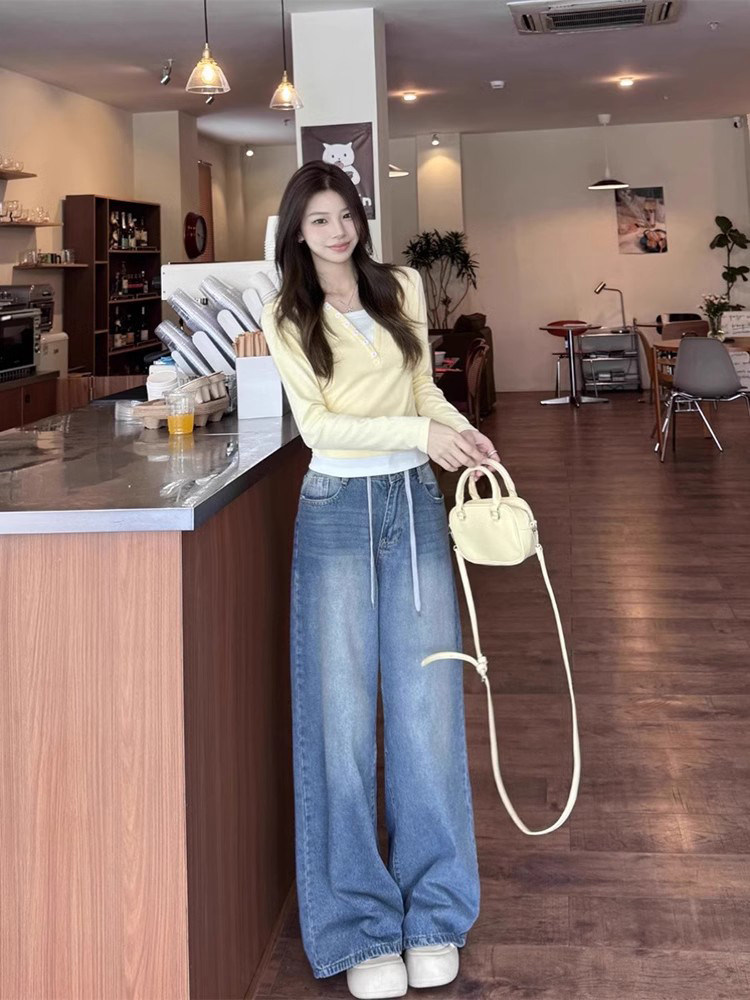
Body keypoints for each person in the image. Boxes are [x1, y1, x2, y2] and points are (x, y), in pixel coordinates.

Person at [261, 160, 499, 1000]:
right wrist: (419, 434)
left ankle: (434, 914)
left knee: (427, 710)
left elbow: (422, 388)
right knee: (340, 721)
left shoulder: (399, 286)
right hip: (336, 514)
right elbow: (318, 426)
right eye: (319, 220)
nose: (338, 231)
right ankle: (359, 925)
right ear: (297, 232)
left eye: (346, 215)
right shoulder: (287, 314)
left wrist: (462, 436)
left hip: (413, 503)